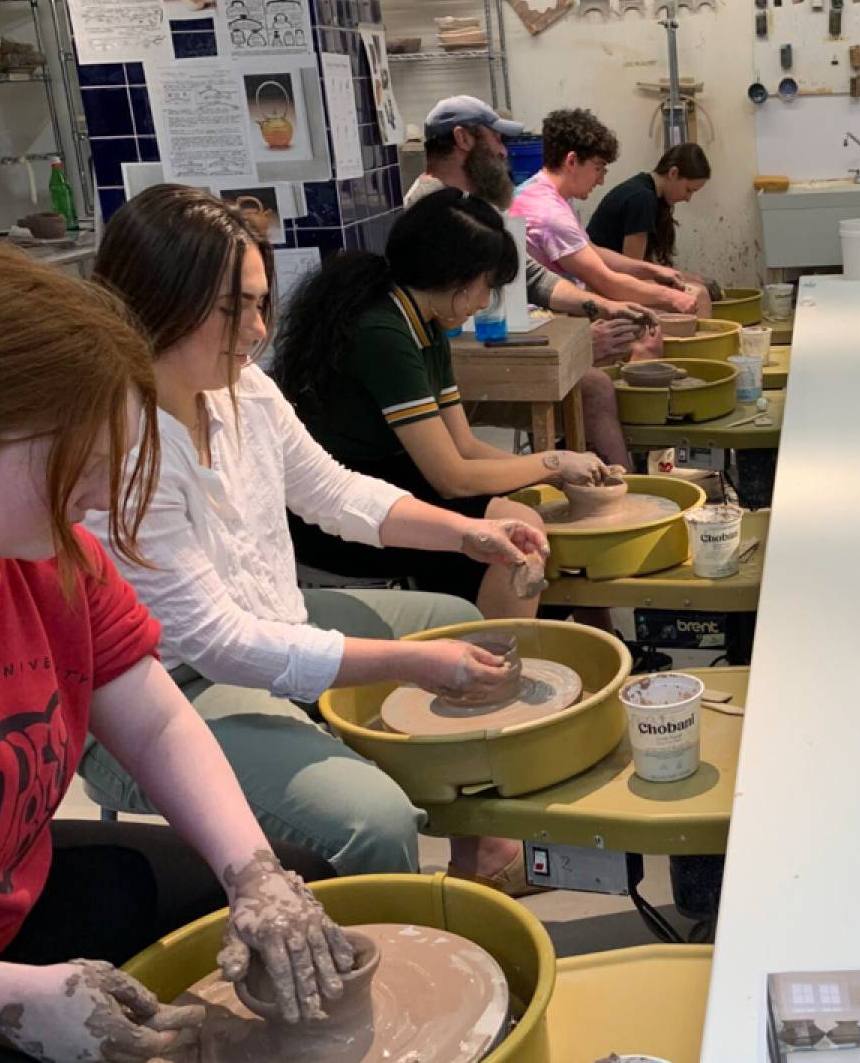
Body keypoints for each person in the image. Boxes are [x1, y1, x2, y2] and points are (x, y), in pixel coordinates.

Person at [0, 246, 353, 1061]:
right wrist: (14, 1000)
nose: (96, 499)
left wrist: (254, 875)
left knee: (304, 898)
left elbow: (155, 719)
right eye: (75, 468)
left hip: (5, 898)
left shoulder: (47, 552)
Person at [79, 185, 543, 890]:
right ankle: (384, 972)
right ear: (158, 299)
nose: (259, 329)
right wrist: (409, 665)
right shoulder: (125, 446)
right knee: (373, 820)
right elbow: (219, 641)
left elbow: (336, 491)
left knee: (463, 627)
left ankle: (476, 851)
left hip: (264, 615)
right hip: (162, 686)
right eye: (236, 308)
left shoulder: (243, 391)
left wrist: (468, 535)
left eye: (263, 304)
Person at [278, 189, 618, 600]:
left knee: (531, 500)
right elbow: (452, 478)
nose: (485, 301)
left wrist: (556, 473)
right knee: (519, 528)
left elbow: (465, 446)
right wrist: (551, 462)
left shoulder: (425, 322)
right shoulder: (383, 332)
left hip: (388, 479)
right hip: (340, 516)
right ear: (454, 277)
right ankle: (499, 658)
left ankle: (507, 641)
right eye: (486, 286)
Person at [410, 95, 647, 461]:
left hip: (480, 355)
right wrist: (574, 346)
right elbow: (457, 323)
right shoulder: (430, 212)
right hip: (451, 376)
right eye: (496, 140)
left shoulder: (474, 204)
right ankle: (609, 499)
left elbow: (531, 276)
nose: (504, 153)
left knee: (593, 382)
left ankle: (610, 493)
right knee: (591, 386)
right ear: (463, 140)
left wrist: (603, 306)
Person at [509, 108, 707, 317]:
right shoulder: (549, 213)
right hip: (539, 315)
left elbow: (592, 251)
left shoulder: (545, 192)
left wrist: (652, 270)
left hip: (563, 300)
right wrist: (671, 297)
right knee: (661, 325)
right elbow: (605, 281)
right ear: (572, 161)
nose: (601, 180)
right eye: (598, 168)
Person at [587, 143, 714, 283]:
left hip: (611, 276)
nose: (688, 198)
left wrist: (694, 279)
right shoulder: (642, 198)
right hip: (596, 280)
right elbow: (634, 272)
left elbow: (646, 264)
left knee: (694, 286)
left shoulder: (648, 192)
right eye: (689, 190)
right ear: (673, 173)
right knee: (696, 294)